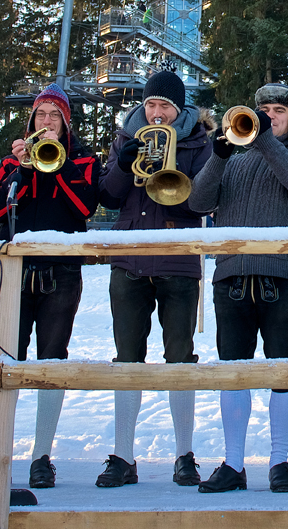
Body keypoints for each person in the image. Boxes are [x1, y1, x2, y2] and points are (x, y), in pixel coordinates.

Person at [190, 84, 288, 494]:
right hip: (231, 277)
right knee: (234, 373)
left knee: (283, 370)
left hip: (282, 278)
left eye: (278, 110)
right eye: (262, 110)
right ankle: (233, 464)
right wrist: (218, 155)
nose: (269, 116)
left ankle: (279, 462)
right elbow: (197, 202)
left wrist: (264, 138)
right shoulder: (234, 162)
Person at [0, 84, 99, 492]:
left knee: (52, 363)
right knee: (6, 360)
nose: (46, 122)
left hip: (61, 271)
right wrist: (21, 169)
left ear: (65, 123)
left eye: (54, 116)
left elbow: (84, 208)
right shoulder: (11, 162)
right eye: (40, 115)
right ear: (31, 120)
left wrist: (56, 167)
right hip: (16, 271)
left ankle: (42, 456)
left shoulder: (82, 159)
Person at [95, 70, 214, 489]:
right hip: (128, 259)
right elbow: (107, 197)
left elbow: (200, 203)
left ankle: (184, 454)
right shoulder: (124, 140)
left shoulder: (199, 142)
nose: (156, 113)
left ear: (179, 110)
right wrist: (125, 165)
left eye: (165, 106)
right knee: (127, 358)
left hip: (178, 260)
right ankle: (123, 455)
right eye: (151, 105)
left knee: (180, 357)